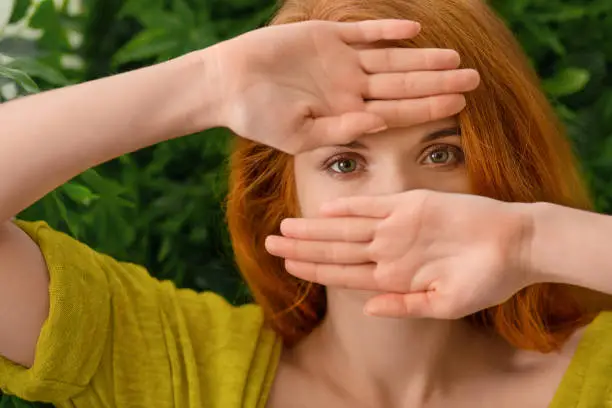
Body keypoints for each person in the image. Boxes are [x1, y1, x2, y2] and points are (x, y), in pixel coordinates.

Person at [0, 1, 610, 408]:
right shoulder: (181, 366)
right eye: (344, 163)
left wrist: (534, 242)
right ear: (282, 197)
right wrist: (208, 85)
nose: (401, 203)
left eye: (442, 155)